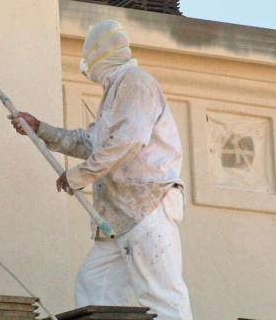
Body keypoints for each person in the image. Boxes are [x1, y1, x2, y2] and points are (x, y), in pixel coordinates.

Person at [10, 20, 192, 320]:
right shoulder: (116, 93)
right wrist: (40, 128)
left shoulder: (136, 82)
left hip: (147, 208)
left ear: (97, 53)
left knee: (162, 296)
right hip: (120, 217)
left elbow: (128, 141)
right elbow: (91, 142)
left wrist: (79, 175)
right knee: (95, 284)